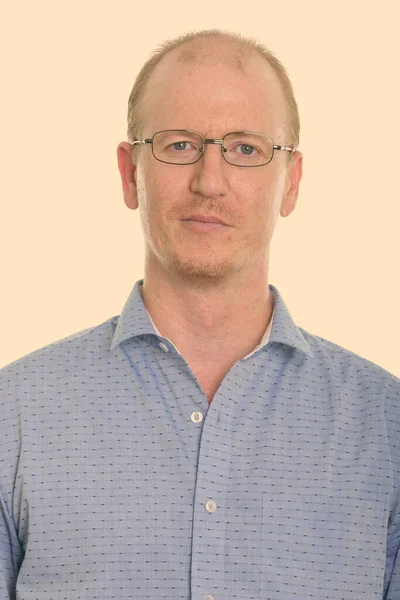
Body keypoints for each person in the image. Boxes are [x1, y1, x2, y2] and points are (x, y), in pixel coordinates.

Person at [1, 28, 399, 600]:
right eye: (180, 144)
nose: (209, 182)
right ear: (128, 172)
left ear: (291, 182)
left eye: (245, 149)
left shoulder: (386, 428)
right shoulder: (14, 418)